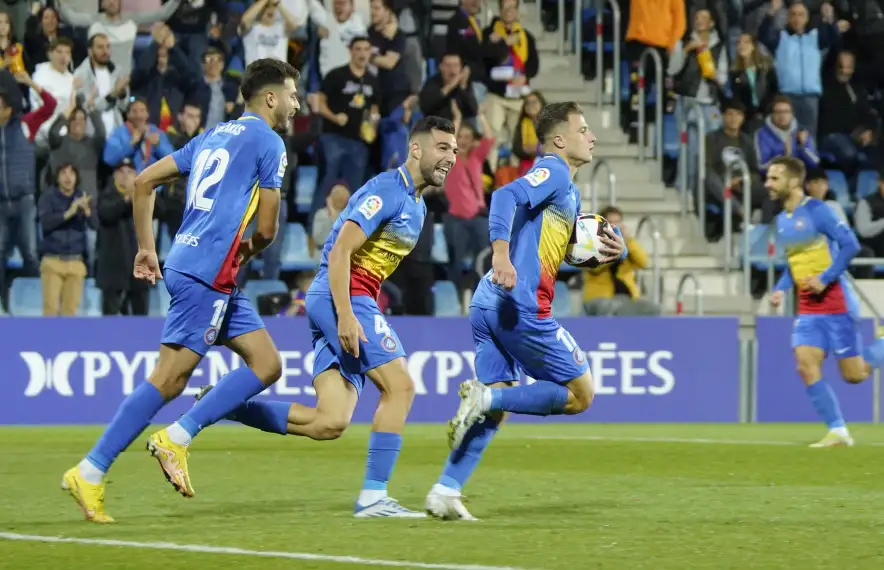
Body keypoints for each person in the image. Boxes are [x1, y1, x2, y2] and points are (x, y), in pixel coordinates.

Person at [60, 58, 300, 523]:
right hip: (208, 273)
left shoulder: (213, 135)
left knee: (267, 364)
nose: (295, 103)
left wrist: (148, 249)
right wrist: (248, 250)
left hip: (194, 266)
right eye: (291, 95)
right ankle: (90, 471)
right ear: (270, 98)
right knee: (169, 379)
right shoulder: (269, 142)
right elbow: (268, 229)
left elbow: (144, 181)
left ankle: (179, 435)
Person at [195, 116, 458, 518]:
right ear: (416, 148)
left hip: (347, 298)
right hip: (342, 296)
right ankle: (373, 497)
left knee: (329, 422)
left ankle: (225, 403)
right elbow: (340, 253)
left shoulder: (418, 208)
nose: (451, 158)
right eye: (442, 148)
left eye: (455, 151)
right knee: (400, 388)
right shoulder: (387, 189)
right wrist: (347, 315)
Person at [425, 102, 626, 521]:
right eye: (583, 129)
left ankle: (445, 490)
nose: (591, 137)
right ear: (559, 140)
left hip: (490, 303)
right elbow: (504, 194)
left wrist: (605, 253)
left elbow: (544, 252)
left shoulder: (567, 190)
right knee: (580, 395)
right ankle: (487, 396)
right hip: (520, 306)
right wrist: (500, 253)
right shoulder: (552, 170)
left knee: (492, 410)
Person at [766, 156, 884, 448]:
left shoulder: (818, 212)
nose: (767, 183)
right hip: (808, 308)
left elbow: (851, 245)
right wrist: (781, 288)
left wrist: (826, 278)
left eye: (774, 178)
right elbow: (793, 263)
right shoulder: (782, 221)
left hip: (836, 303)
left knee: (854, 375)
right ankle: (838, 431)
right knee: (805, 365)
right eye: (768, 178)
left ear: (794, 182)